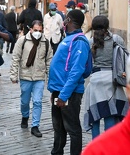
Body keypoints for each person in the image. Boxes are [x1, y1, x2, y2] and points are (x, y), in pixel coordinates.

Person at [48, 9, 92, 155]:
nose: (63, 21)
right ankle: (57, 152)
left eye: (65, 19)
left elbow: (77, 71)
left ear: (69, 21)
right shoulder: (67, 39)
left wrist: (63, 95)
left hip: (69, 93)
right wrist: (55, 93)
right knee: (58, 127)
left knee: (72, 128)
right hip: (59, 91)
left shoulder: (79, 41)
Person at [83, 15, 129, 139]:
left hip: (95, 80)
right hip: (112, 79)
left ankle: (96, 146)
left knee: (95, 116)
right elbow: (127, 55)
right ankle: (109, 146)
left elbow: (87, 63)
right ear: (107, 26)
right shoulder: (116, 39)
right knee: (110, 114)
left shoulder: (90, 42)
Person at [9, 20, 53, 138]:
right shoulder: (22, 41)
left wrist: (50, 77)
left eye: (40, 30)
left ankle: (35, 126)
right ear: (31, 29)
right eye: (36, 30)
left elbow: (49, 61)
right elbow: (15, 58)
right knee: (24, 101)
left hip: (39, 77)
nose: (38, 33)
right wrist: (14, 75)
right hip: (25, 76)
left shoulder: (45, 43)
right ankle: (25, 116)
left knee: (38, 101)